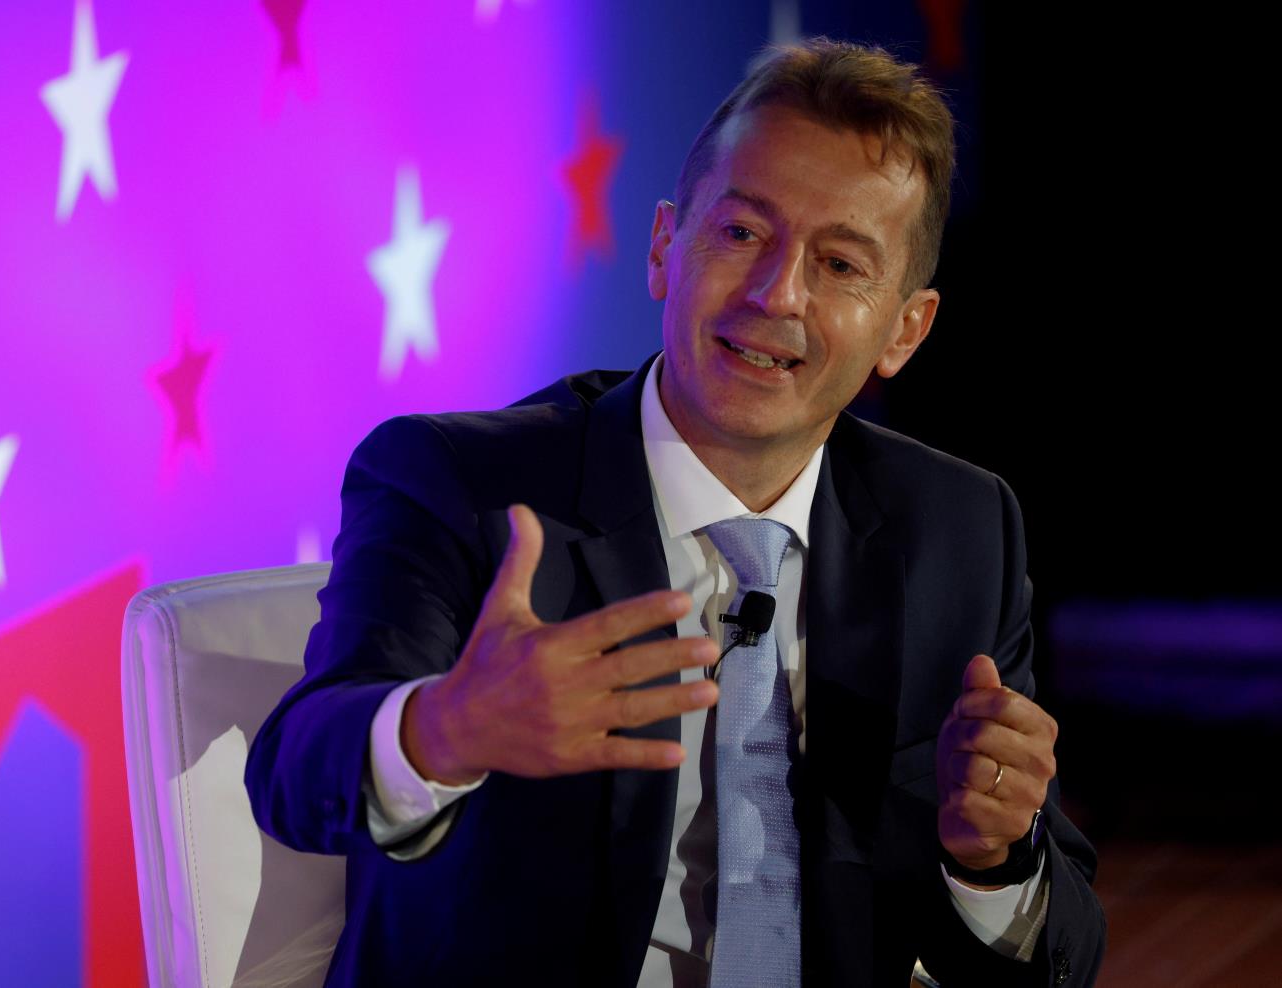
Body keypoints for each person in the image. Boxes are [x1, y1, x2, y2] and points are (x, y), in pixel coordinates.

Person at [246, 38, 1105, 987]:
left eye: (839, 264)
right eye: (741, 233)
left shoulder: (958, 527)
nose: (777, 293)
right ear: (664, 247)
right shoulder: (460, 483)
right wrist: (444, 729)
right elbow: (294, 770)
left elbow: (1057, 955)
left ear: (905, 328)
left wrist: (993, 861)